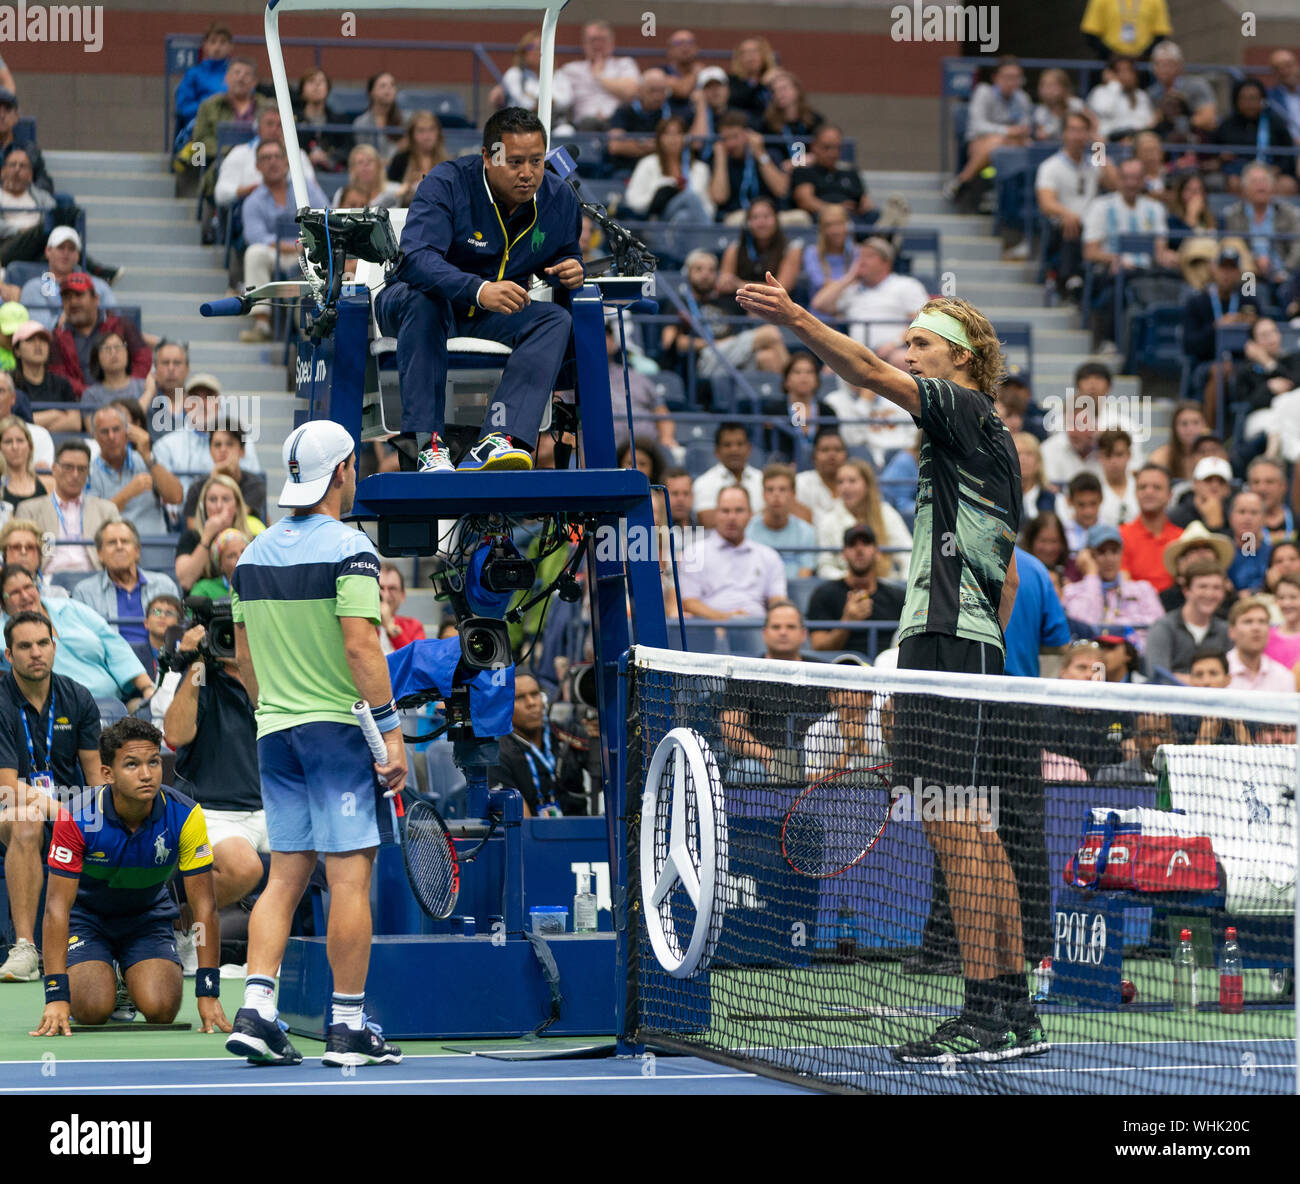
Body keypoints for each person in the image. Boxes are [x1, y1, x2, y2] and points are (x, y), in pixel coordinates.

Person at [734, 275, 1043, 1062]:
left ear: (964, 360)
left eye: (923, 346)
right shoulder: (982, 443)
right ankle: (1012, 1010)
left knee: (953, 826)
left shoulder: (964, 408)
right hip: (964, 646)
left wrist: (796, 315)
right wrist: (974, 653)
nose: (908, 356)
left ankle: (979, 1016)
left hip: (946, 642)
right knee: (977, 828)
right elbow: (1005, 581)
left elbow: (867, 375)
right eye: (908, 344)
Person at [225, 420, 406, 1068]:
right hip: (336, 734)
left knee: (286, 876)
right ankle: (349, 1025)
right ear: (343, 471)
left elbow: (244, 662)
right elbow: (361, 644)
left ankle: (258, 1009)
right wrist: (389, 732)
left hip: (274, 734)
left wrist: (276, 707)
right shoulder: (350, 548)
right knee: (349, 876)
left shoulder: (248, 556)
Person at [375, 108, 582, 475]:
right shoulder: (448, 182)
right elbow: (415, 259)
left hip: (488, 316)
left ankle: (499, 438)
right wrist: (478, 289)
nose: (528, 172)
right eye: (515, 161)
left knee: (553, 319)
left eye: (536, 160)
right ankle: (428, 444)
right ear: (488, 158)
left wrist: (569, 269)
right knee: (425, 301)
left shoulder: (558, 200)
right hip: (412, 304)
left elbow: (564, 254)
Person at [32, 718, 230, 1034]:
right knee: (91, 1010)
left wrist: (208, 991)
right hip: (88, 920)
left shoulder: (185, 815)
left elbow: (205, 907)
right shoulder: (78, 817)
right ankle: (104, 970)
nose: (146, 774)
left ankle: (127, 977)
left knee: (162, 1009)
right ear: (108, 773)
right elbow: (56, 908)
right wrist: (56, 995)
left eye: (153, 762)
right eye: (132, 765)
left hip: (147, 918)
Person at [0, 610, 102, 983]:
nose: (36, 653)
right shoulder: (1, 700)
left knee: (114, 823)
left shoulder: (77, 697)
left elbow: (95, 781)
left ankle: (112, 943)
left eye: (43, 643)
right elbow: (6, 787)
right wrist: (61, 810)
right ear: (9, 655)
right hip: (7, 811)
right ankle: (25, 948)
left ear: (54, 646)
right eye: (24, 646)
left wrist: (98, 817)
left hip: (67, 811)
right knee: (26, 821)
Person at [161, 611, 267, 970]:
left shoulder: (272, 674)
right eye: (228, 633)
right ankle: (176, 925)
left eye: (243, 631)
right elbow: (174, 736)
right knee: (244, 868)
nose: (234, 641)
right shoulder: (203, 675)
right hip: (211, 809)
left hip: (271, 807)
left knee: (326, 855)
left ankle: (282, 954)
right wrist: (193, 663)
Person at [0, 564, 154, 706]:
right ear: (2, 601)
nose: (25, 596)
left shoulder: (69, 607)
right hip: (60, 712)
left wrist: (147, 688)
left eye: (28, 587)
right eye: (14, 593)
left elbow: (114, 645)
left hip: (113, 704)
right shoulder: (3, 636)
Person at [718, 600, 822, 782]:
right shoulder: (744, 673)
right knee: (745, 771)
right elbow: (731, 730)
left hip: (818, 760)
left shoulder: (823, 672)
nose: (783, 632)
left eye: (790, 626)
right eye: (776, 627)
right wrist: (770, 758)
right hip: (761, 762)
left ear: (803, 634)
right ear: (764, 633)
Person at [237, 141, 329, 344]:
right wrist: (293, 245)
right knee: (254, 252)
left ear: (287, 162)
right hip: (277, 254)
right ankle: (262, 323)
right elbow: (256, 237)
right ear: (257, 166)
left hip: (309, 252)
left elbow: (325, 216)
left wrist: (304, 246)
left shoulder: (305, 188)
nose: (272, 162)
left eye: (277, 157)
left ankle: (319, 335)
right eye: (265, 158)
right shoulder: (253, 201)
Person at [488, 673, 598, 817]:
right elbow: (519, 823)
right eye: (519, 698)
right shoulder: (498, 754)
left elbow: (611, 777)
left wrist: (599, 742)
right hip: (534, 836)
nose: (531, 703)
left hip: (585, 833)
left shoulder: (568, 734)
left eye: (535, 694)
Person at [72, 520, 181, 662]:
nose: (119, 547)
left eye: (125, 541)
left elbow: (176, 633)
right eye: (111, 542)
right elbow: (83, 642)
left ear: (137, 551)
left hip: (161, 661)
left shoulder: (164, 585)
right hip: (110, 664)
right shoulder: (84, 592)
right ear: (100, 554)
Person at [811, 237, 929, 368]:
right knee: (829, 368)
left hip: (894, 352)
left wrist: (894, 344)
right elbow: (819, 304)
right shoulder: (852, 290)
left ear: (886, 263)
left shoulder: (907, 285)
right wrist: (850, 277)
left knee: (902, 360)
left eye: (869, 256)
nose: (862, 261)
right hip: (857, 355)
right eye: (860, 256)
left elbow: (922, 323)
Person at [678, 486, 786, 621]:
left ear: (750, 514)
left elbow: (777, 600)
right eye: (725, 511)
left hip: (758, 629)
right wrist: (728, 619)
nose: (732, 517)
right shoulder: (693, 553)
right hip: (709, 627)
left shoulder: (769, 556)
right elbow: (690, 602)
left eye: (739, 510)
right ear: (716, 514)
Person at [19, 441, 121, 575]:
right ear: (54, 469)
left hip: (95, 580)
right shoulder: (30, 510)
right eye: (68, 467)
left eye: (82, 469)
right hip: (47, 580)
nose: (75, 475)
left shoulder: (107, 510)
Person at [807, 524, 907, 657]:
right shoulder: (824, 594)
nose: (859, 549)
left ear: (877, 552)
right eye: (852, 544)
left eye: (866, 543)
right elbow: (819, 647)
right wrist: (847, 621)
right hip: (841, 668)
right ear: (844, 554)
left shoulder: (898, 597)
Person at [942, 57, 1033, 202]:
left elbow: (1025, 126)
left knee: (1022, 145)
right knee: (996, 143)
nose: (1012, 82)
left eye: (1017, 77)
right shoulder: (984, 92)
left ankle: (962, 180)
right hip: (979, 142)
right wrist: (1007, 131)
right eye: (1008, 77)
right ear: (995, 77)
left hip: (1014, 144)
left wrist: (1014, 133)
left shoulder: (1022, 98)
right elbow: (978, 126)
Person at [49, 274, 151, 400]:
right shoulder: (57, 337)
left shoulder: (121, 324)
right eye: (67, 298)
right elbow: (59, 376)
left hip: (127, 399)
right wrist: (94, 396)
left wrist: (125, 389)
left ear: (95, 299)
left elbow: (143, 359)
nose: (73, 302)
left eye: (79, 295)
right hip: (80, 404)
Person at [1035, 111, 1103, 298]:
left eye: (1082, 131)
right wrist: (1067, 213)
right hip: (1065, 225)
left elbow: (1115, 183)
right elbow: (1046, 203)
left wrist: (1099, 145)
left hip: (1094, 224)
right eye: (1073, 130)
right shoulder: (1050, 166)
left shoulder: (1094, 163)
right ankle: (1070, 279)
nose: (1077, 136)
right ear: (1064, 133)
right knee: (1071, 224)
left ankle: (1075, 280)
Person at [815, 457, 912, 581]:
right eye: (840, 482)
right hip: (846, 588)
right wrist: (852, 581)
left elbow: (908, 554)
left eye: (852, 481)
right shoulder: (828, 520)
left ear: (867, 485)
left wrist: (904, 584)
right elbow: (825, 566)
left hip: (885, 585)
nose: (845, 487)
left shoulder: (886, 513)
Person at [1063, 521, 1163, 635]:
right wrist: (1091, 575)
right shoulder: (1072, 592)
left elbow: (1158, 629)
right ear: (1089, 555)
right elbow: (1083, 630)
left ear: (1121, 553)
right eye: (1102, 552)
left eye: (1114, 551)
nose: (1109, 559)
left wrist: (1110, 626)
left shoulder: (1143, 589)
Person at [174, 473, 264, 593]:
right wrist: (207, 536)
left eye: (225, 499)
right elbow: (185, 581)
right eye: (212, 499)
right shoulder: (191, 538)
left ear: (237, 506)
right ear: (204, 506)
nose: (219, 506)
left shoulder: (251, 540)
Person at [1144, 558, 1231, 678]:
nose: (1210, 594)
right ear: (1186, 591)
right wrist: (1200, 682)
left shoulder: (1226, 630)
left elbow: (1232, 676)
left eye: (1216, 588)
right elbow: (1158, 676)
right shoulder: (1163, 627)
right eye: (1203, 587)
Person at [1212, 78, 1299, 195]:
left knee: (1287, 185)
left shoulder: (1275, 123)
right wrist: (1221, 158)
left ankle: (1273, 213)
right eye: (1244, 98)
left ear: (1262, 99)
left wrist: (1277, 169)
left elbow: (1288, 155)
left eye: (1253, 98)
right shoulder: (1227, 125)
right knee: (1234, 183)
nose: (1249, 103)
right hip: (1239, 174)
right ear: (1236, 101)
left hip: (1271, 172)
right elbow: (1214, 152)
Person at [19, 226, 115, 327]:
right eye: (60, 247)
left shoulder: (99, 286)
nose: (66, 253)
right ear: (48, 251)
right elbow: (40, 328)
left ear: (77, 255)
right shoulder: (34, 287)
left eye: (71, 249)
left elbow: (115, 322)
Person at [623, 117, 714, 223]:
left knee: (683, 217)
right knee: (690, 197)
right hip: (658, 220)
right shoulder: (647, 164)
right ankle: (708, 238)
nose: (673, 138)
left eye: (678, 133)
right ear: (659, 138)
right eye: (667, 133)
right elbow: (632, 201)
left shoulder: (701, 169)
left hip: (689, 224)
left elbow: (708, 206)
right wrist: (660, 195)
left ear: (686, 138)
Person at [709, 112, 793, 224]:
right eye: (726, 139)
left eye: (735, 137)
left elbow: (781, 190)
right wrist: (720, 160)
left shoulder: (770, 155)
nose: (731, 144)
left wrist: (760, 154)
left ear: (749, 135)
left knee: (801, 217)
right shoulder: (722, 160)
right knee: (736, 221)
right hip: (738, 217)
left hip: (771, 216)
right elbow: (719, 197)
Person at [1003, 546, 1071, 677]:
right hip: (1021, 684)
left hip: (965, 681)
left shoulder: (955, 558)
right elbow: (1060, 642)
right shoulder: (1035, 568)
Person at [559, 20, 640, 130]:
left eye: (602, 40)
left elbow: (631, 92)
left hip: (618, 126)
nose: (597, 44)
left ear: (612, 43)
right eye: (592, 40)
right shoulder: (571, 69)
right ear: (584, 43)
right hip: (583, 127)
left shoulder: (625, 64)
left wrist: (599, 76)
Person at [182, 427, 267, 527]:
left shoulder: (255, 484)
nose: (223, 449)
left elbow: (234, 518)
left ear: (242, 451)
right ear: (210, 451)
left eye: (230, 444)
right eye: (217, 445)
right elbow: (193, 528)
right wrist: (215, 478)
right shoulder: (196, 487)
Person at [490, 28, 575, 128]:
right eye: (531, 47)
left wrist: (550, 101)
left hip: (554, 123)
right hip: (522, 124)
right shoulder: (514, 74)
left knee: (567, 131)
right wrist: (546, 101)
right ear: (523, 52)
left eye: (540, 47)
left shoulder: (559, 75)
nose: (536, 51)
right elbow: (522, 102)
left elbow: (567, 99)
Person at [1118, 463, 1182, 593]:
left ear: (1169, 495)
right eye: (1142, 487)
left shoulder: (1182, 538)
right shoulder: (1121, 535)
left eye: (1157, 487)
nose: (1149, 492)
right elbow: (1123, 584)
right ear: (1135, 493)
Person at [745, 463, 816, 579]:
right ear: (763, 495)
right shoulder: (748, 529)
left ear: (793, 494)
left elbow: (804, 575)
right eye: (770, 490)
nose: (776, 495)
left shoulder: (806, 532)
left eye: (782, 489)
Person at [606, 69, 693, 162]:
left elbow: (681, 145)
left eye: (662, 91)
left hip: (661, 168)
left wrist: (639, 146)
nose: (657, 96)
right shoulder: (623, 111)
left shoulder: (672, 113)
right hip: (626, 168)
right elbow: (615, 146)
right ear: (640, 90)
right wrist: (652, 147)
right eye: (652, 90)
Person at [791, 124, 873, 220]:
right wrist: (837, 211)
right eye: (826, 147)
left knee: (875, 216)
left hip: (853, 218)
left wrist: (862, 208)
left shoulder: (850, 171)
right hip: (823, 219)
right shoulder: (804, 171)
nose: (832, 153)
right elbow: (806, 201)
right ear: (814, 147)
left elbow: (865, 202)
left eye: (836, 148)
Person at [692, 422, 765, 529]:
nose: (734, 450)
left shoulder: (763, 480)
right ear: (717, 451)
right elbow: (707, 521)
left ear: (749, 449)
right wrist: (762, 516)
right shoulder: (703, 482)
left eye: (740, 444)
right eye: (727, 445)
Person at [1226, 595, 1295, 692]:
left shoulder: (1284, 676)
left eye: (1262, 621)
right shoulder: (1216, 672)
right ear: (1231, 631)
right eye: (1248, 622)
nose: (1256, 628)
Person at [387, 111, 451, 208]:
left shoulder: (448, 163)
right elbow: (389, 193)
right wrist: (407, 187)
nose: (427, 136)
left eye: (431, 130)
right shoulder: (401, 159)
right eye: (421, 131)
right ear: (412, 135)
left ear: (438, 133)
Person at [1086, 55, 1156, 141]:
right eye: (1121, 71)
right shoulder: (1100, 92)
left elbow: (1145, 121)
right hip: (1107, 141)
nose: (1126, 75)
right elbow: (1104, 110)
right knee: (1098, 145)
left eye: (1129, 71)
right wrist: (1114, 85)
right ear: (1111, 73)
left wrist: (1130, 137)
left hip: (1133, 140)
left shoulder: (1141, 95)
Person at [1095, 711, 1177, 784]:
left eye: (1161, 733)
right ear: (1136, 740)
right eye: (1147, 734)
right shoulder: (1110, 776)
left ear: (1174, 738)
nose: (1155, 741)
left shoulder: (1184, 777)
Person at [1080, 0, 1172, 59]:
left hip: (1143, 63)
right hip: (1109, 62)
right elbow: (1091, 34)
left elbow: (1160, 34)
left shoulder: (1156, 1)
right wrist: (1112, 54)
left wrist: (1143, 54)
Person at [1223, 489, 1271, 594]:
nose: (1247, 518)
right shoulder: (1221, 556)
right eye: (1242, 512)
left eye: (1254, 512)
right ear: (1231, 517)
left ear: (1264, 518)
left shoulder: (1274, 555)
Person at [794, 427, 846, 521]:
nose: (832, 455)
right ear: (814, 456)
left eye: (837, 450)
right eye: (825, 450)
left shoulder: (854, 485)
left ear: (846, 455)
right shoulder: (801, 483)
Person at [351, 71, 404, 163]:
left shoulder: (406, 120)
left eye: (392, 85)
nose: (388, 89)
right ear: (371, 92)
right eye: (382, 86)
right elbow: (363, 154)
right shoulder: (361, 122)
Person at [0, 414, 49, 509]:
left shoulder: (47, 484)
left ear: (30, 446)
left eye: (20, 441)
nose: (15, 447)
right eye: (8, 442)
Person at [377, 562, 426, 653]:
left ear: (402, 595)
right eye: (381, 588)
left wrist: (390, 626)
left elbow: (416, 661)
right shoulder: (360, 625)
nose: (386, 595)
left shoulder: (414, 626)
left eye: (392, 588)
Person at [1096, 427, 1137, 526]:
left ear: (1129, 455)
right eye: (1108, 455)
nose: (1114, 462)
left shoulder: (1141, 486)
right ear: (1100, 457)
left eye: (1119, 454)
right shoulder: (1093, 489)